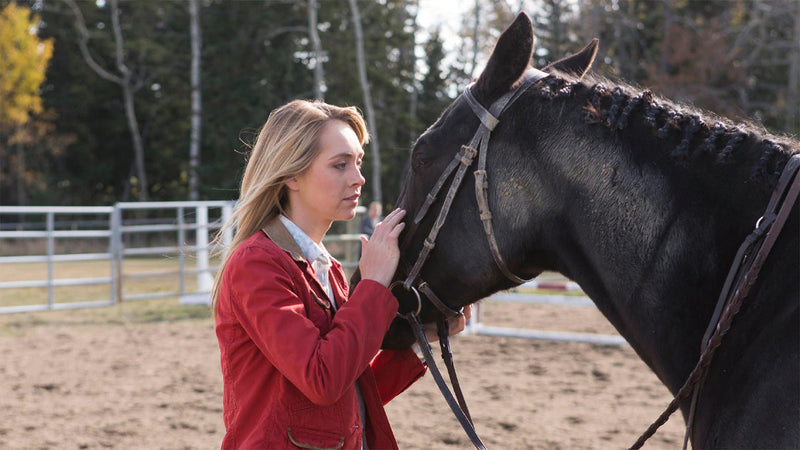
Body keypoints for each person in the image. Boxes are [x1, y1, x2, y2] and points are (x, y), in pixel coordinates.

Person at [211, 100, 470, 450]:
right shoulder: (256, 264)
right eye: (340, 164)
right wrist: (374, 283)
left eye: (358, 162)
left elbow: (352, 389)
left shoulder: (326, 268)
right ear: (291, 174)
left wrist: (419, 339)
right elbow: (323, 380)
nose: (358, 177)